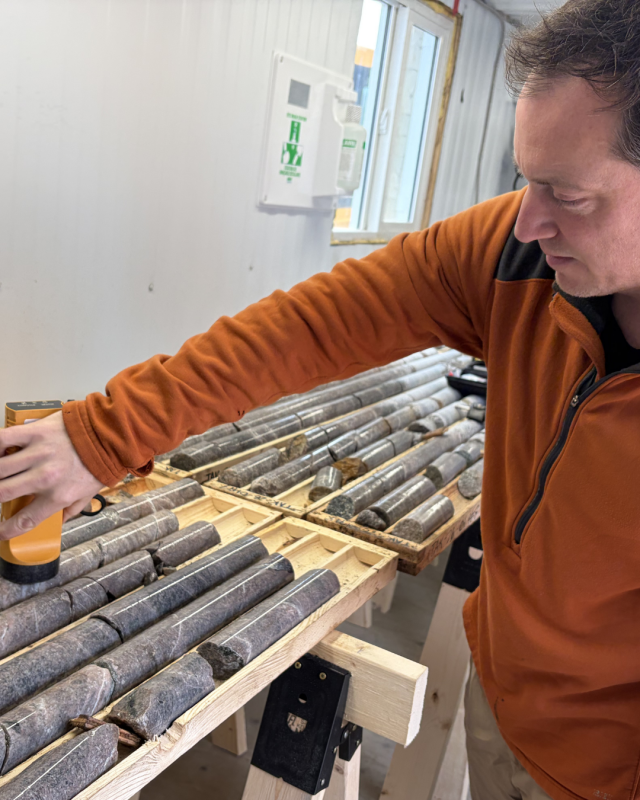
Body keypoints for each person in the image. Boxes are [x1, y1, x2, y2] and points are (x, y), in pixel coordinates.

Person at [1, 0, 639, 797]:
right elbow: (312, 325)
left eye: (568, 196)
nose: (529, 218)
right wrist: (101, 435)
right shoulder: (516, 254)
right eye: (525, 179)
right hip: (506, 701)